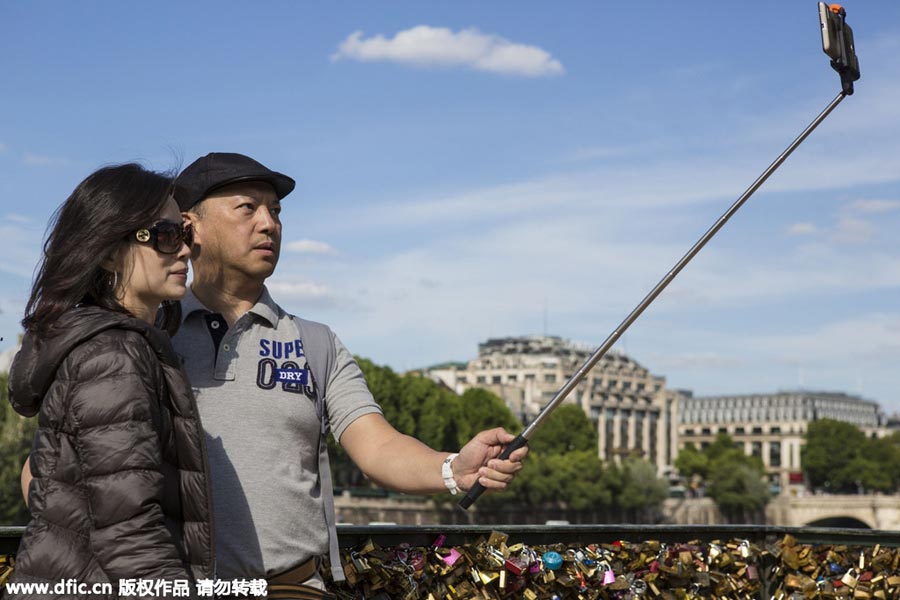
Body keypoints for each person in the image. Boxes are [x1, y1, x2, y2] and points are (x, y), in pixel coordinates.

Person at [171, 153, 528, 595]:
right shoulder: (146, 335)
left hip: (293, 589)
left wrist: (454, 468)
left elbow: (377, 445)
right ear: (190, 227)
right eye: (248, 208)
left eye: (276, 211)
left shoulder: (316, 343)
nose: (270, 224)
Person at [6, 164, 214, 598]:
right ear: (107, 250)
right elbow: (129, 534)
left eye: (186, 235)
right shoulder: (113, 353)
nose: (185, 252)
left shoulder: (112, 345)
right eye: (165, 235)